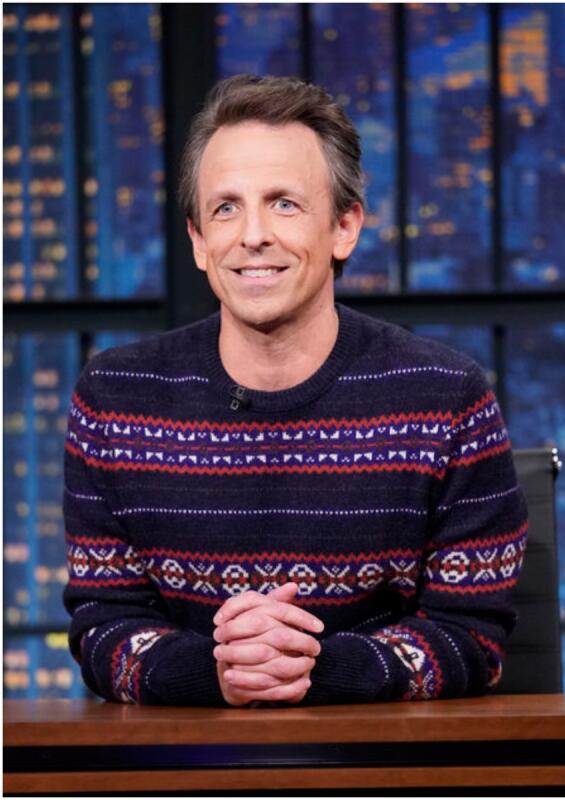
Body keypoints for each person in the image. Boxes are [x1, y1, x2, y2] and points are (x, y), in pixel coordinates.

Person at [63, 75, 528, 706]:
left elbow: (475, 635)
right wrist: (219, 670)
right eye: (226, 207)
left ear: (344, 228)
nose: (253, 234)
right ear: (199, 241)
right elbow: (102, 627)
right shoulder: (115, 398)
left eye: (284, 203)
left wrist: (316, 668)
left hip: (383, 770)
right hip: (184, 768)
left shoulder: (445, 395)